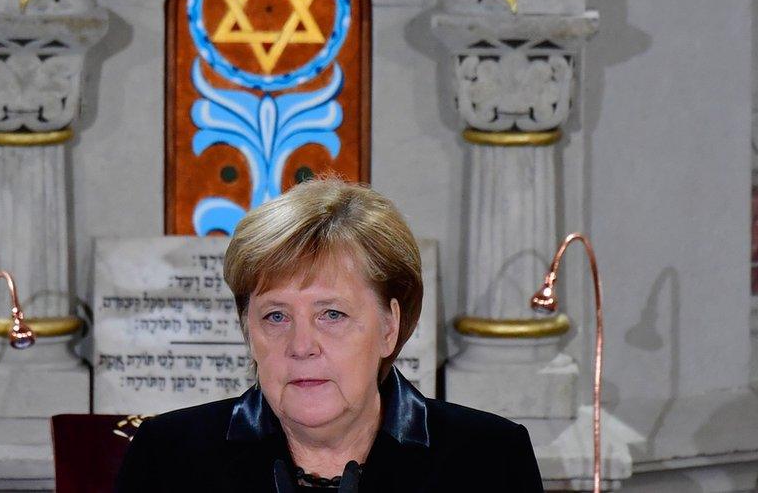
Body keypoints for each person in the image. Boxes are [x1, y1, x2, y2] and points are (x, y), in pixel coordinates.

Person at [116, 179, 543, 492]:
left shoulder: (489, 458)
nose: (301, 346)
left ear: (389, 327)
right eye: (276, 316)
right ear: (248, 329)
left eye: (332, 314)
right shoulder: (168, 456)